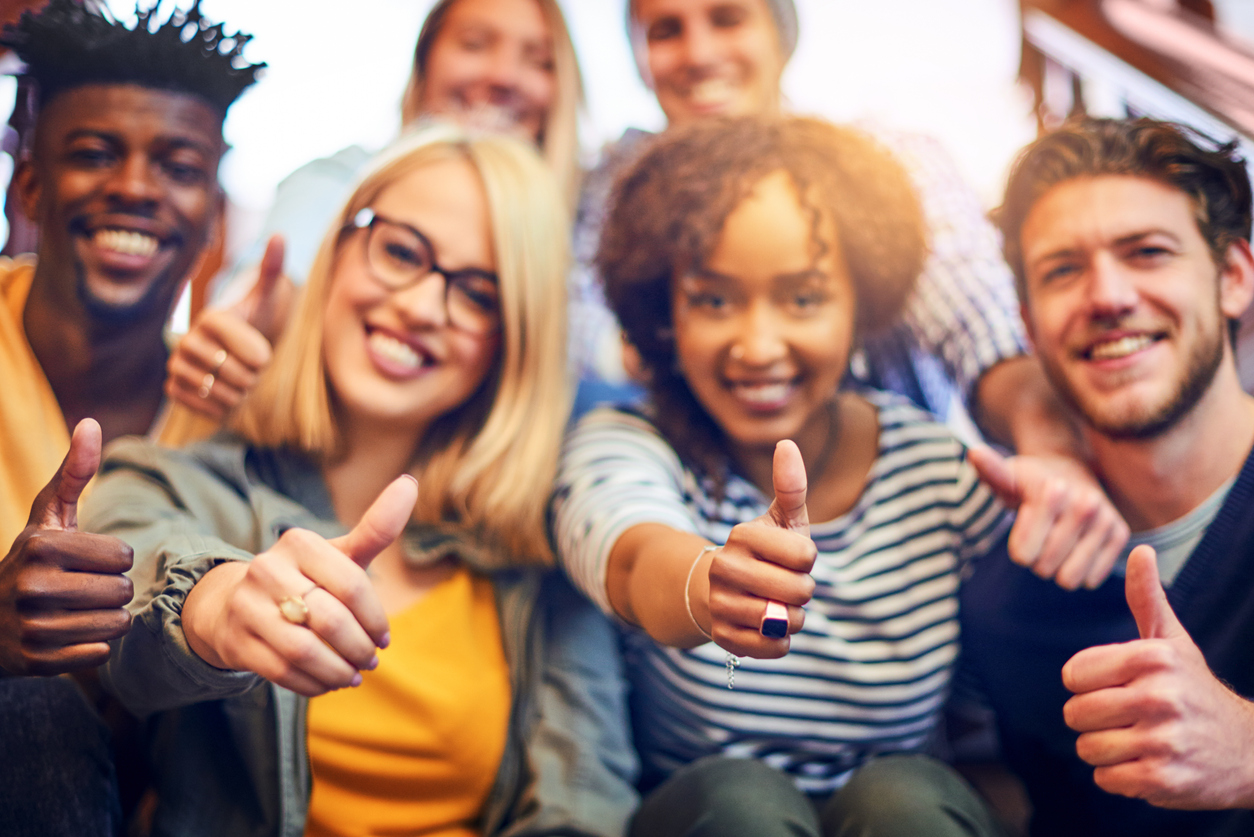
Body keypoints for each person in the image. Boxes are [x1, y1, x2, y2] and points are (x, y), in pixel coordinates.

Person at [85, 125, 637, 837]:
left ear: (512, 340)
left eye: (476, 292)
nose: (420, 306)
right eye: (401, 251)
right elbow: (120, 626)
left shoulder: (537, 549)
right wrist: (216, 608)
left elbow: (584, 802)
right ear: (337, 248)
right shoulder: (170, 479)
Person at [553, 115, 1021, 837]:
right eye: (714, 299)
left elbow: (998, 728)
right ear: (664, 313)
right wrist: (708, 587)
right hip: (706, 815)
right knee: (743, 802)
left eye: (802, 297)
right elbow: (633, 550)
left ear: (859, 303)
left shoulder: (942, 477)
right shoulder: (623, 444)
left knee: (904, 798)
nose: (759, 345)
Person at [570, 0, 1127, 579]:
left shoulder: (883, 170)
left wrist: (1048, 445)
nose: (699, 54)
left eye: (728, 19)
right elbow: (572, 328)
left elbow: (974, 320)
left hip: (893, 533)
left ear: (781, 34)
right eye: (666, 32)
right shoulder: (611, 186)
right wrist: (644, 344)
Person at [0, 2, 262, 833]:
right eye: (93, 154)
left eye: (179, 167)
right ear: (30, 185)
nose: (137, 189)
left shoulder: (236, 413)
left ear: (213, 213)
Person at [959, 117, 1254, 837]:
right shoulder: (1011, 600)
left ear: (1233, 278)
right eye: (1063, 270)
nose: (1108, 296)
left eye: (1147, 252)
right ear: (1028, 326)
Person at [164, 0, 586, 424]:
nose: (504, 76)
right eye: (474, 45)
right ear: (425, 62)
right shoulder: (344, 180)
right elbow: (282, 266)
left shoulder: (586, 230)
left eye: (539, 61)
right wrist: (250, 320)